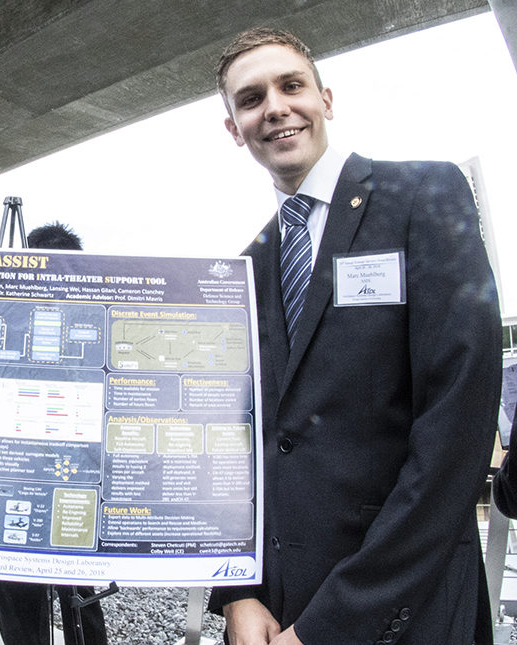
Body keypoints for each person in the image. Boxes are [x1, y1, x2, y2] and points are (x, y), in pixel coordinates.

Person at [208, 28, 500, 645]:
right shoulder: (246, 266)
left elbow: (457, 423)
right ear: (235, 128)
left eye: (292, 86)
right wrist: (239, 593)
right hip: (281, 605)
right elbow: (239, 439)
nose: (276, 108)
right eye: (251, 99)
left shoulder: (422, 195)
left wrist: (334, 622)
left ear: (327, 99)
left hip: (403, 605)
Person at [0, 223, 108, 645]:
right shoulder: (8, 327)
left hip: (66, 485)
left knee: (77, 597)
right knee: (30, 600)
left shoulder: (94, 329)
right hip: (17, 483)